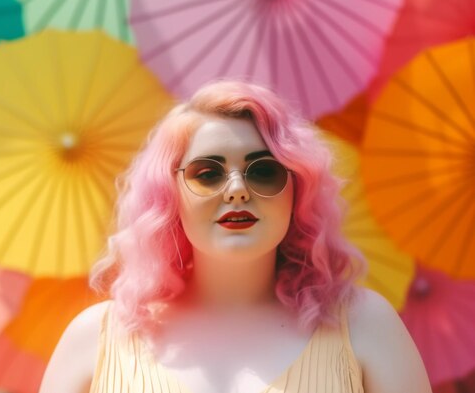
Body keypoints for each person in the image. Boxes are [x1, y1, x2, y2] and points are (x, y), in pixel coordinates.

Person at [39, 81, 432, 393]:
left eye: (264, 170)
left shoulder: (364, 326)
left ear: (298, 190)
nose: (237, 190)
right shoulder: (97, 338)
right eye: (207, 173)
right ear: (168, 194)